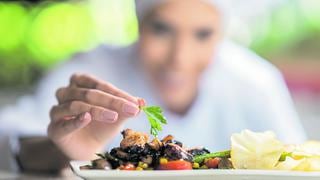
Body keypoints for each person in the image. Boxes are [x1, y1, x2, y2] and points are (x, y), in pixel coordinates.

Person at [0, 0, 306, 172]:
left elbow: (298, 163)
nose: (180, 58)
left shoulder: (254, 81)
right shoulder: (93, 69)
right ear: (139, 23)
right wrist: (64, 151)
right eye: (162, 29)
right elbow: (11, 142)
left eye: (202, 34)